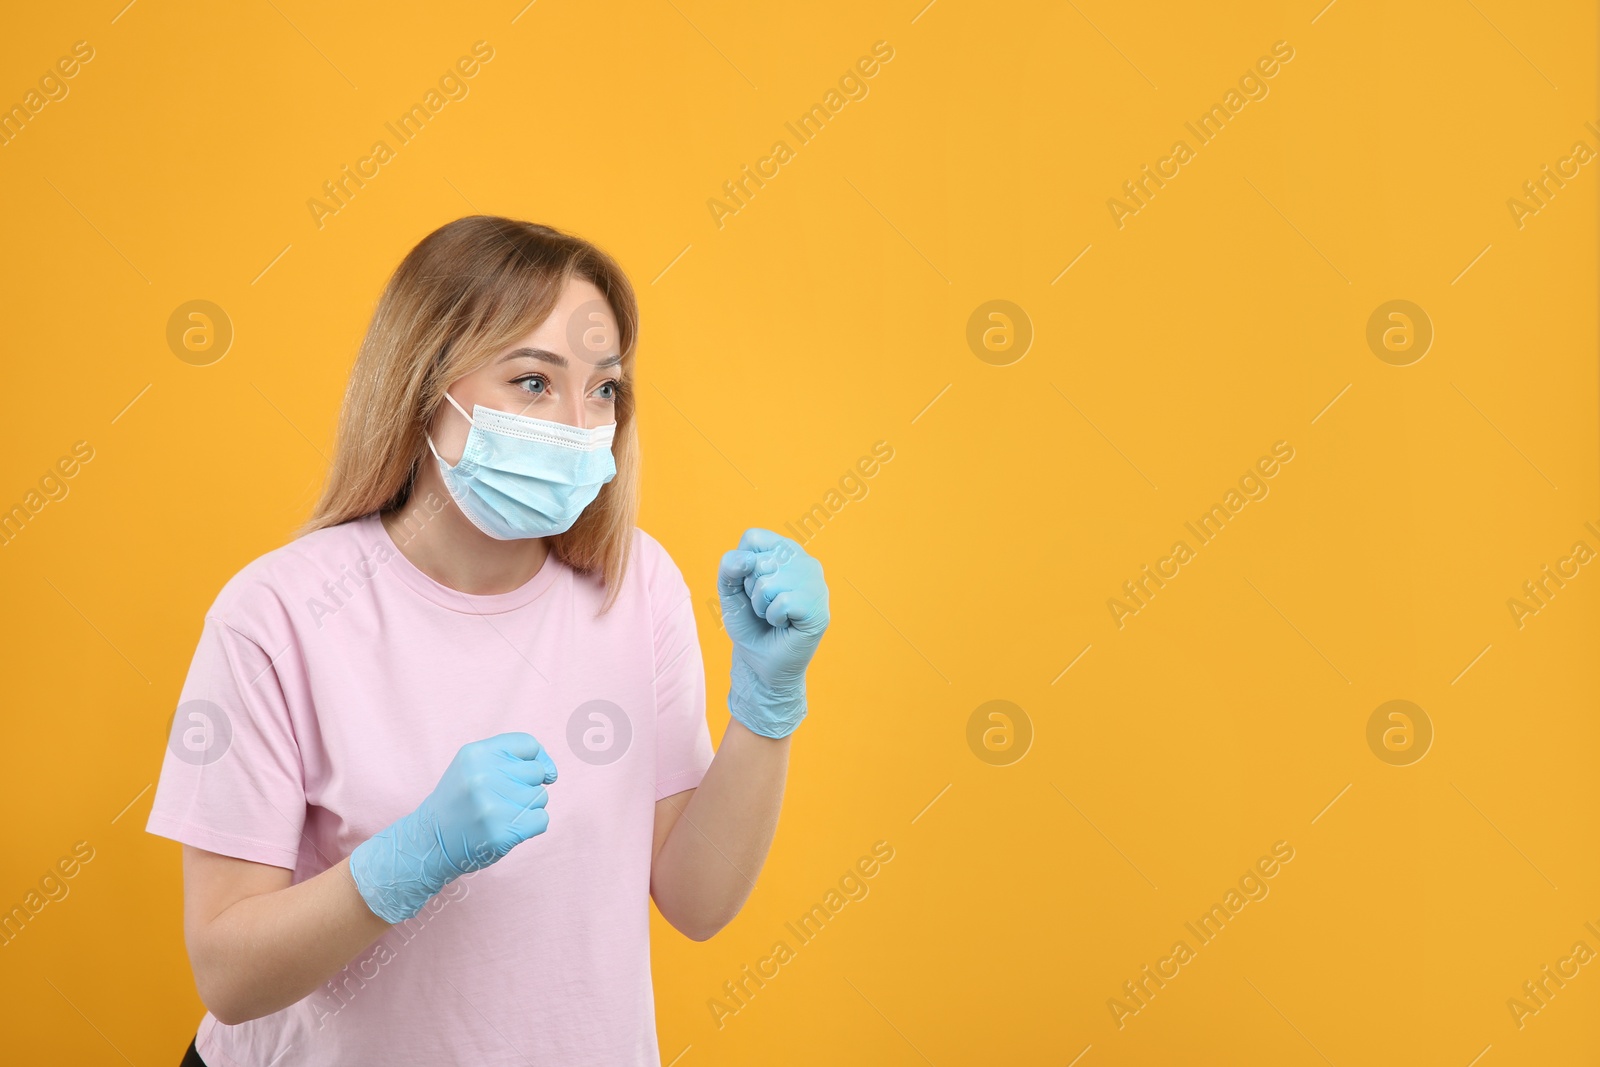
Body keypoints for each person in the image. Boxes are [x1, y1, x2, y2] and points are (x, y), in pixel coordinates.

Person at [145, 215, 830, 1066]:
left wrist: (765, 707)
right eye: (534, 382)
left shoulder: (637, 585)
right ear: (425, 384)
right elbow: (228, 974)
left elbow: (696, 901)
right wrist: (410, 857)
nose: (581, 421)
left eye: (605, 387)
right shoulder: (276, 613)